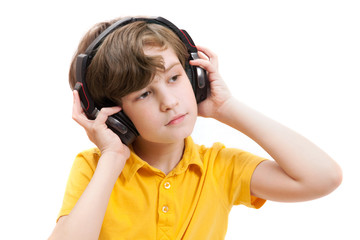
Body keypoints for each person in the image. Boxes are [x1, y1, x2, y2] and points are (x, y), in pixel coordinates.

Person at [49, 16, 342, 240]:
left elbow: (323, 178)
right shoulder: (95, 168)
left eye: (175, 78)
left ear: (196, 77)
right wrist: (113, 156)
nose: (169, 102)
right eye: (144, 94)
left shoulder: (220, 167)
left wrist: (226, 108)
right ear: (114, 115)